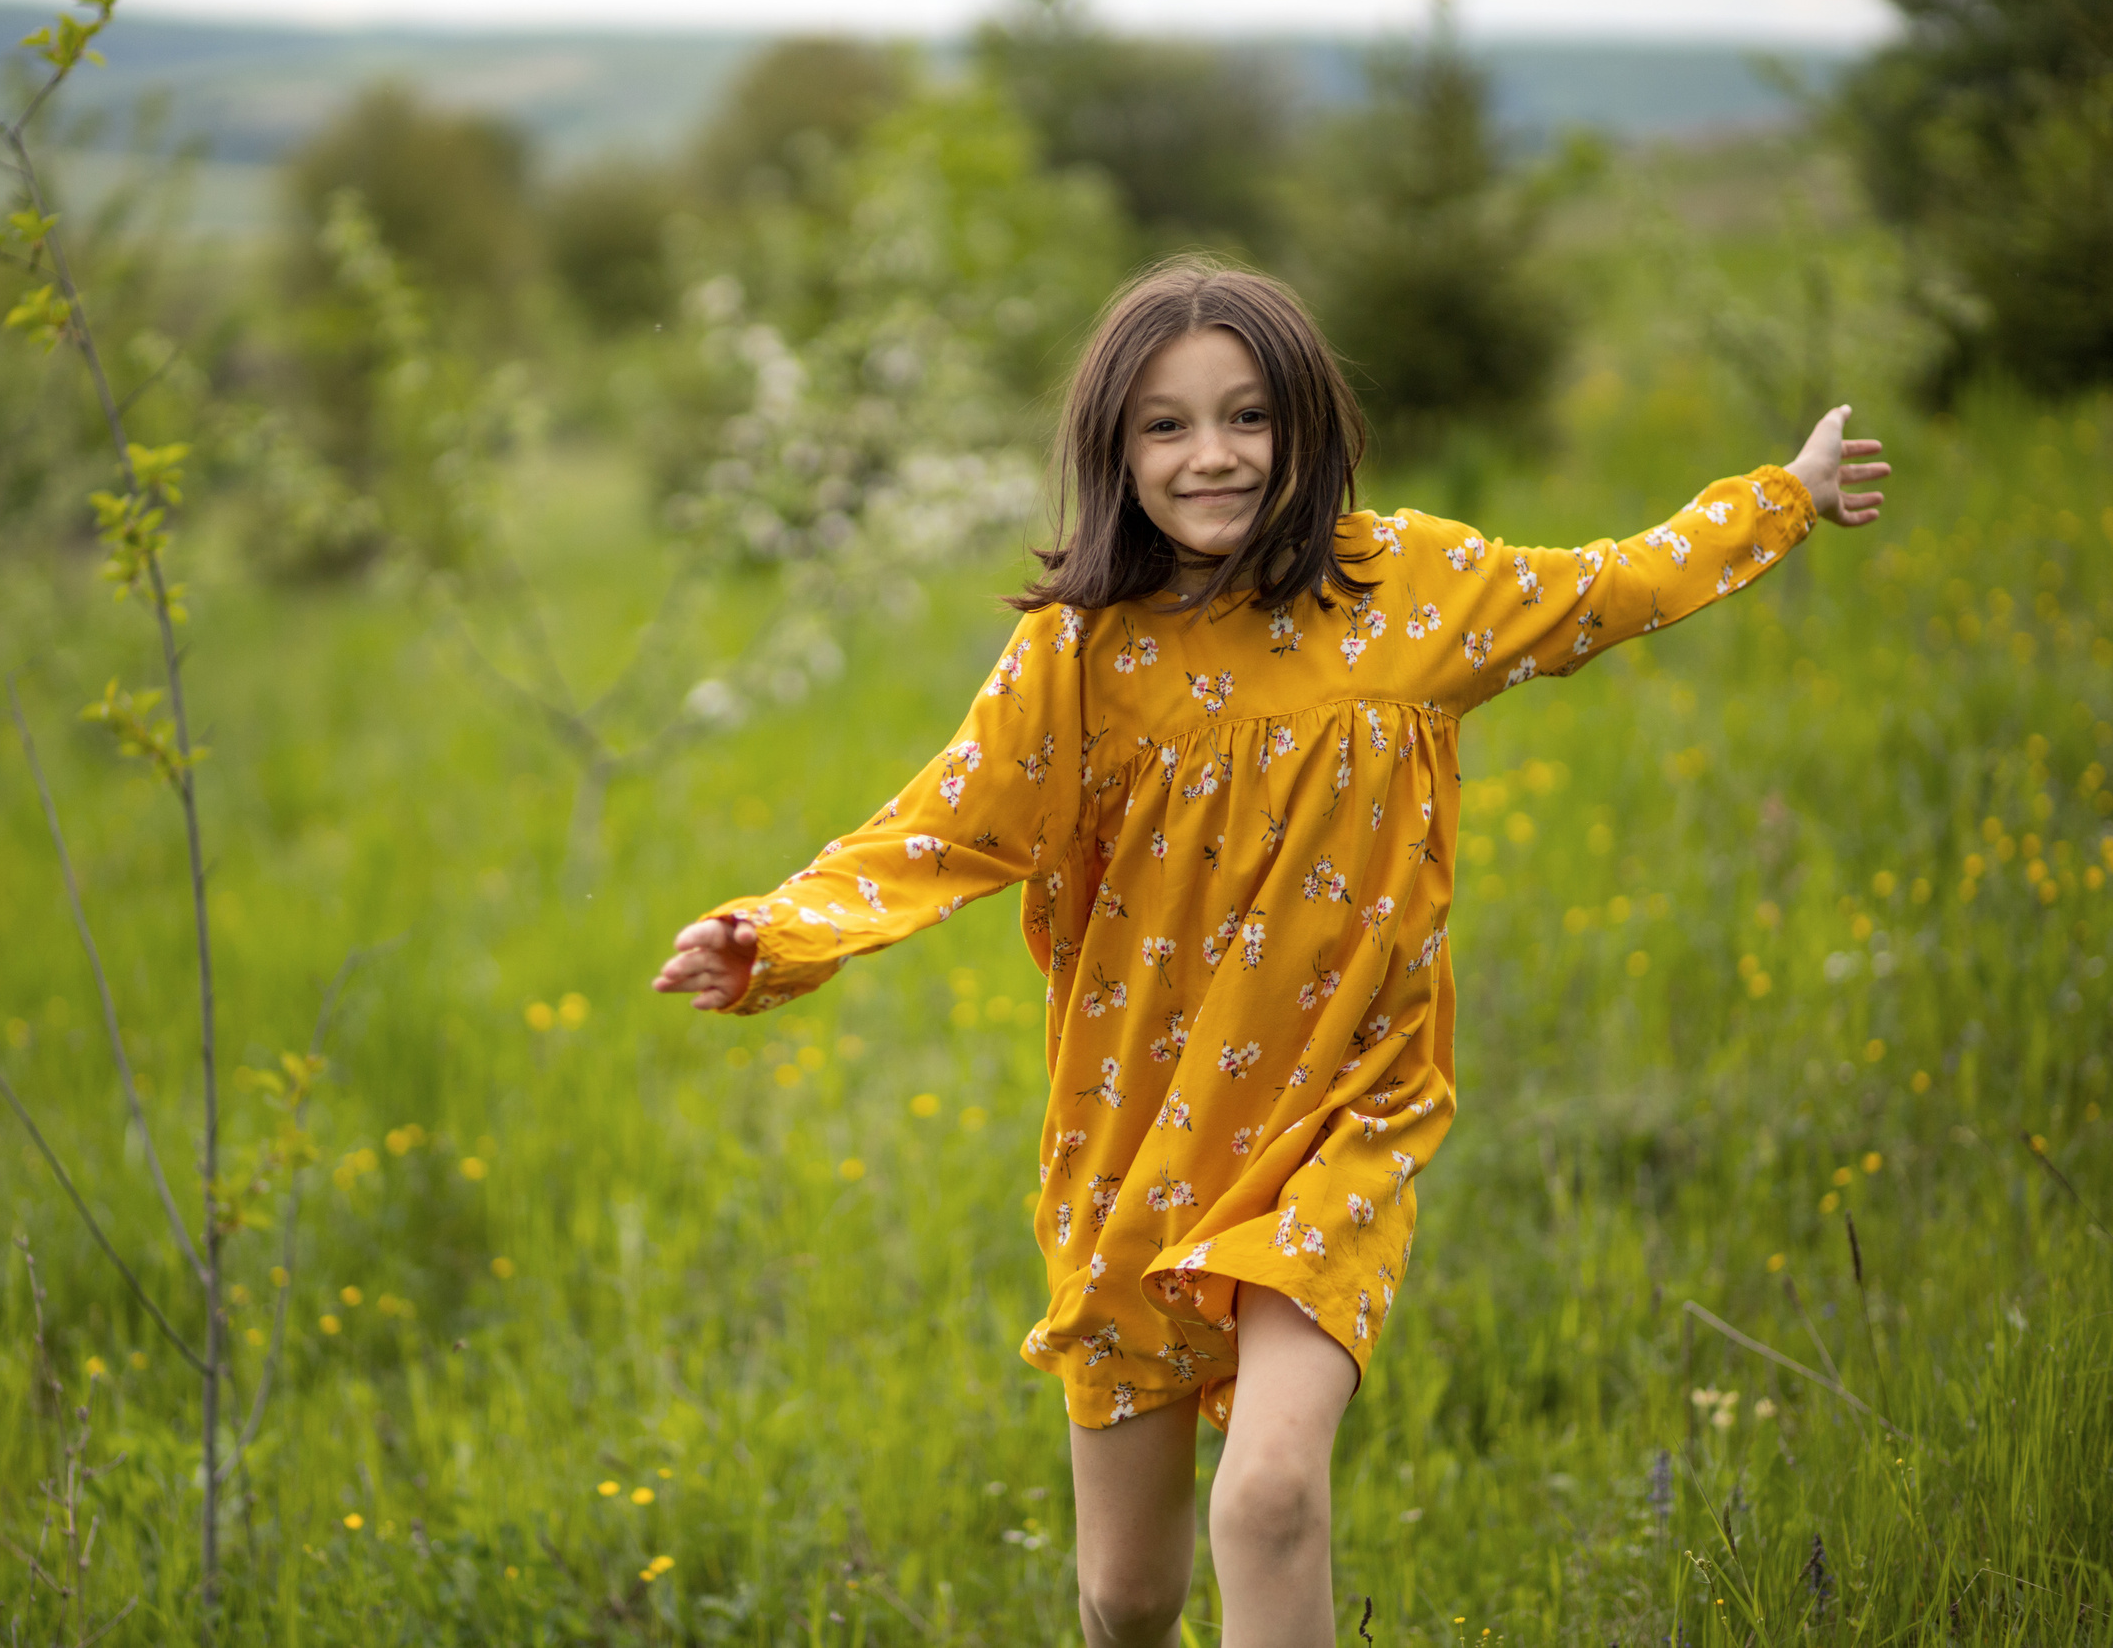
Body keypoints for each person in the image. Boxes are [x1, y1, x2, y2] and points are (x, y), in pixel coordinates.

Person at [650, 257, 1888, 1647]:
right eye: (1168, 427)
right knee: (1130, 1597)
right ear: (1115, 453)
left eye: (1248, 417)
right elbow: (943, 826)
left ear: (1306, 426)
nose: (1214, 456)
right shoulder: (1081, 652)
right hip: (1138, 1143)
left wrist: (1781, 496)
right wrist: (777, 933)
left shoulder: (1411, 591)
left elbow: (1607, 588)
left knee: (1272, 1499)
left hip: (1342, 1121)